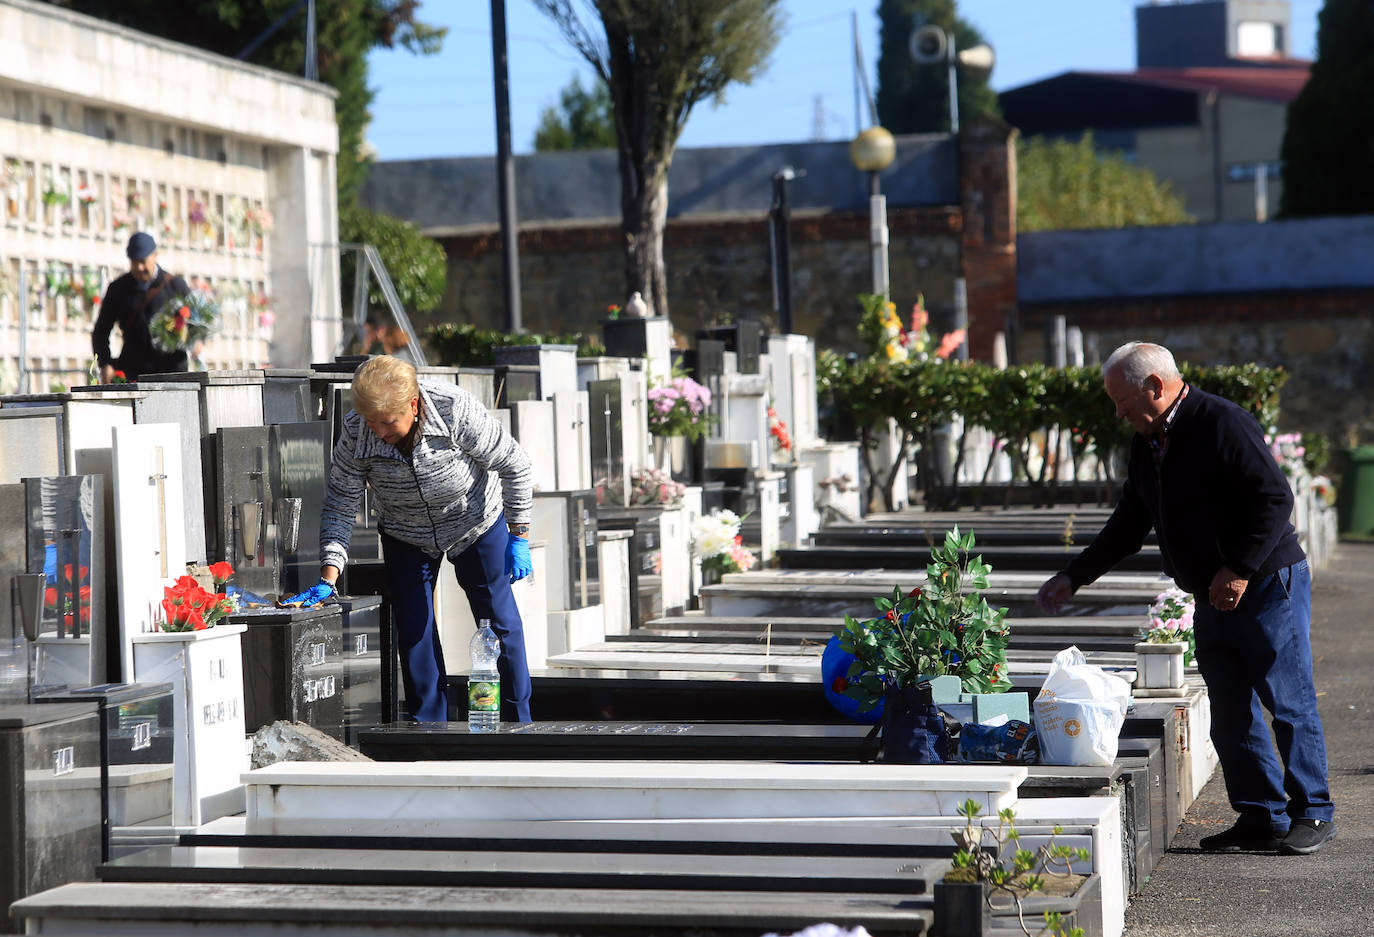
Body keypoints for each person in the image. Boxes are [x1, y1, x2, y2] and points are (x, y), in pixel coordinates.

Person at [1036, 342, 1334, 855]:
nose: (1119, 412)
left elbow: (1274, 499)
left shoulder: (1221, 422)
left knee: (1288, 700)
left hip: (1264, 583)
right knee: (1230, 707)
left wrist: (1238, 568)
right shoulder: (1148, 440)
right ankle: (1262, 815)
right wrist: (1074, 576)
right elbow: (1130, 523)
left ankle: (1313, 811)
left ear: (1155, 385)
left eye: (1122, 400)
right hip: (1210, 590)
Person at [281, 355, 535, 723]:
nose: (379, 432)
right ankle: (430, 725)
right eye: (372, 423)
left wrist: (519, 534)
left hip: (474, 520)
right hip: (405, 529)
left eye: (388, 422)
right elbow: (340, 503)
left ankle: (518, 722)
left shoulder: (453, 409)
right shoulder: (356, 431)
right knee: (414, 625)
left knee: (498, 619)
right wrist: (329, 575)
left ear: (413, 405)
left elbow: (515, 464)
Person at [91, 232, 192, 381]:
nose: (139, 267)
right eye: (134, 262)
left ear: (155, 256)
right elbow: (101, 332)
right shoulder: (118, 289)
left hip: (172, 371)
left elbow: (196, 321)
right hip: (133, 371)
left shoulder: (175, 286)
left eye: (143, 261)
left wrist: (196, 340)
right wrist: (105, 363)